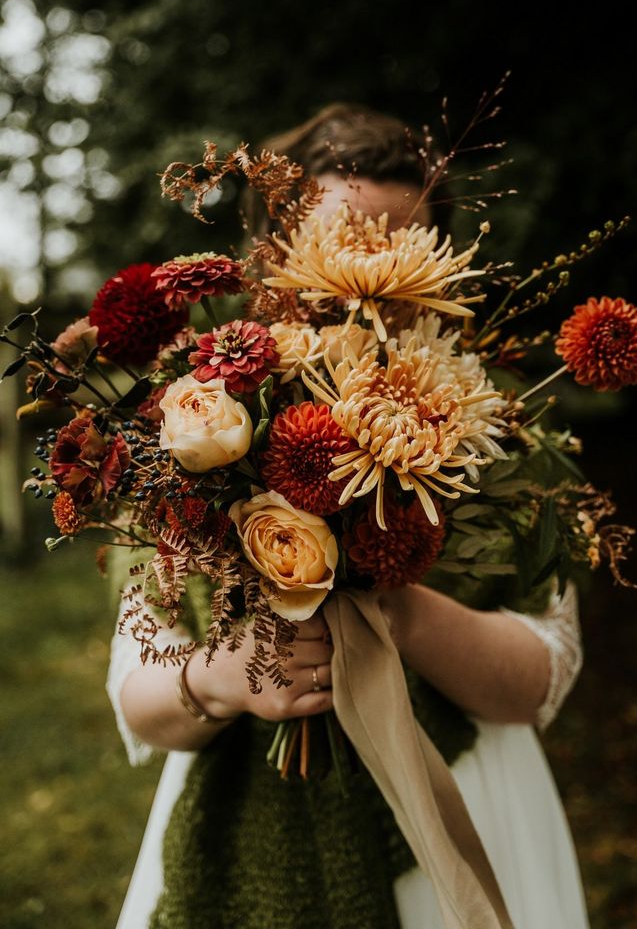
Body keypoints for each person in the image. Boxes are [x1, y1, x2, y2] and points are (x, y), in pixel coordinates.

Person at [108, 103, 590, 928]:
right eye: (344, 237)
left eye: (403, 243)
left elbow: (542, 677)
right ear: (273, 251)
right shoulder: (192, 419)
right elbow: (134, 693)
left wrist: (384, 600)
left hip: (465, 809)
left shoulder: (501, 429)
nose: (372, 268)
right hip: (239, 814)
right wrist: (224, 676)